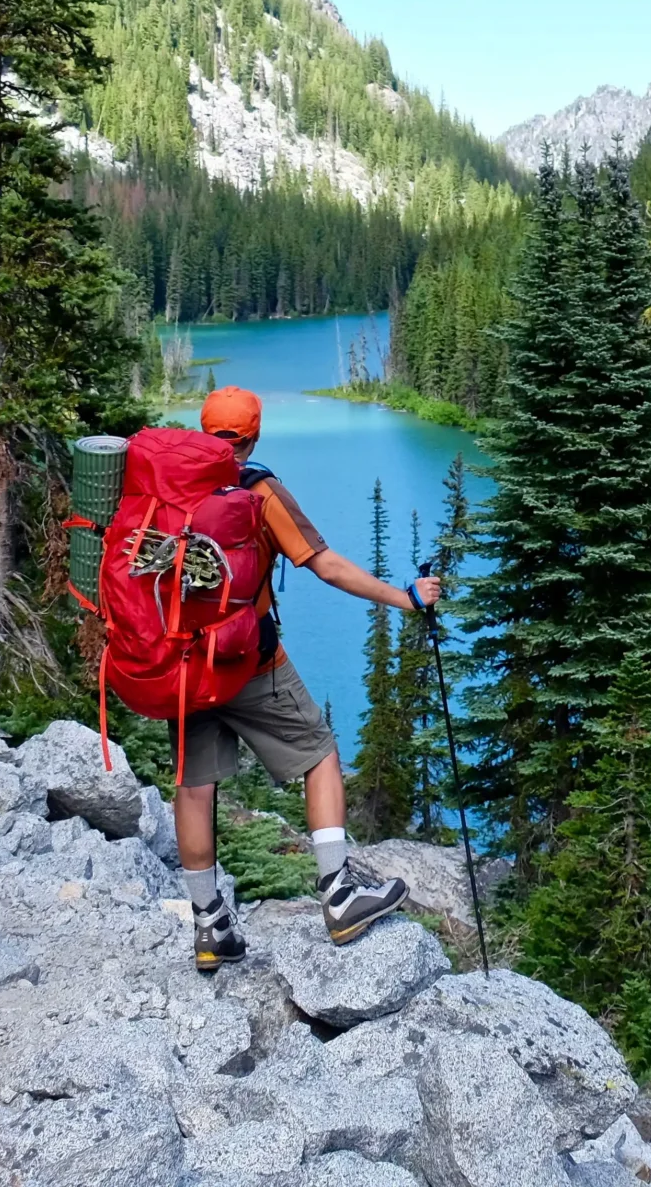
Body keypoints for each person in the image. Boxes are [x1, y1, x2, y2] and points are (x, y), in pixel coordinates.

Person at [176, 385, 441, 971]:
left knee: (195, 785)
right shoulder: (257, 490)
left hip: (180, 665)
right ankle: (340, 896)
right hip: (248, 662)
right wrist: (405, 598)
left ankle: (208, 927)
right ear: (253, 436)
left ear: (202, 430)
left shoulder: (169, 486)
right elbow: (326, 566)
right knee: (321, 754)